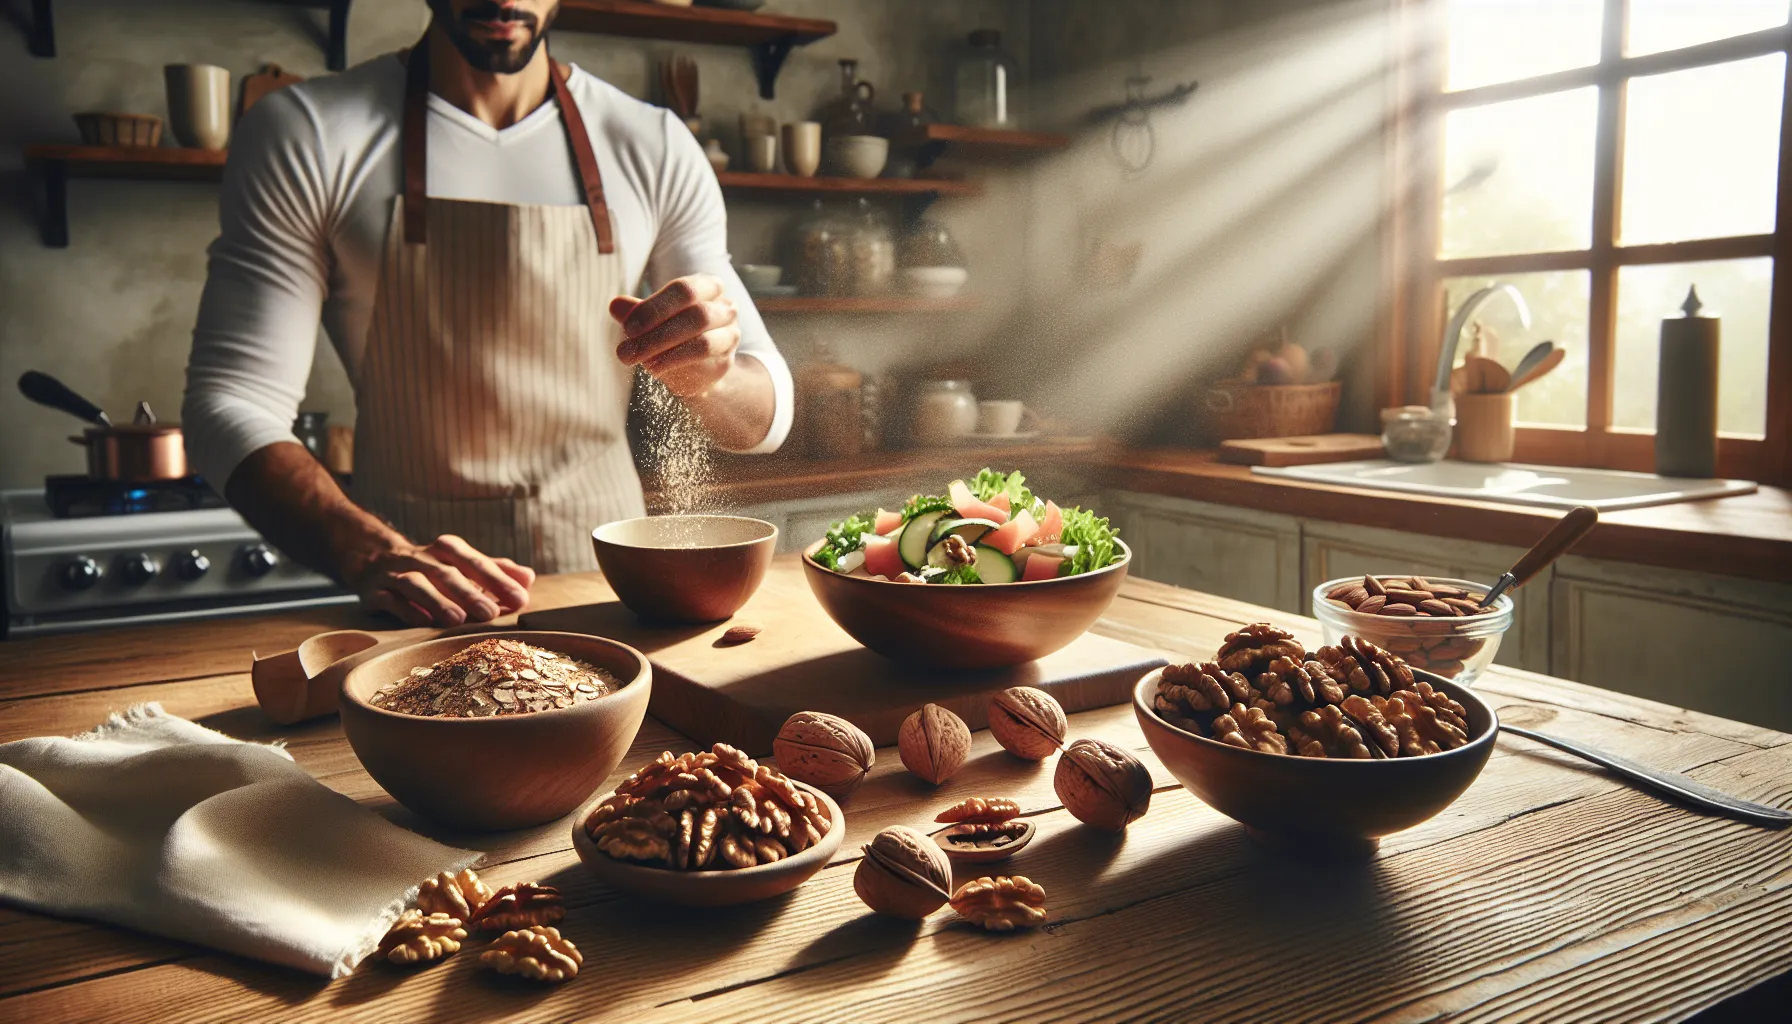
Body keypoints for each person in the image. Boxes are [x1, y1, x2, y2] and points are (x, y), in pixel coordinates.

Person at [182, 0, 792, 627]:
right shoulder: (307, 131)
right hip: (417, 595)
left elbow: (762, 421)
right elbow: (230, 402)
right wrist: (372, 551)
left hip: (607, 592)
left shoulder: (652, 144)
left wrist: (712, 373)